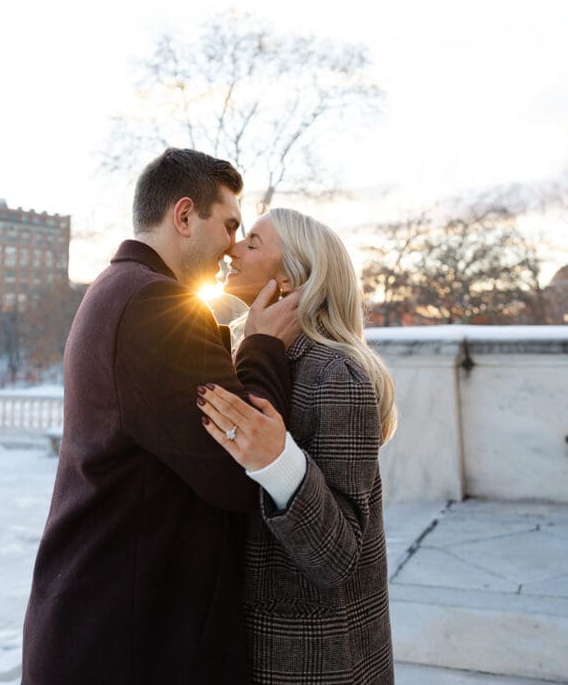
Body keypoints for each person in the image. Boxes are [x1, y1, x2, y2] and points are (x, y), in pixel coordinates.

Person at [21, 149, 301, 685]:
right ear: (184, 215)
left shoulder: (116, 288)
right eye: (229, 225)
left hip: (104, 625)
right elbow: (241, 471)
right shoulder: (154, 306)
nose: (232, 247)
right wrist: (264, 346)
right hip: (124, 642)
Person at [197, 208, 397, 685]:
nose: (233, 249)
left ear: (287, 277)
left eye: (253, 242)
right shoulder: (257, 355)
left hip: (315, 659)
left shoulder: (335, 375)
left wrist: (279, 462)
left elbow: (339, 556)